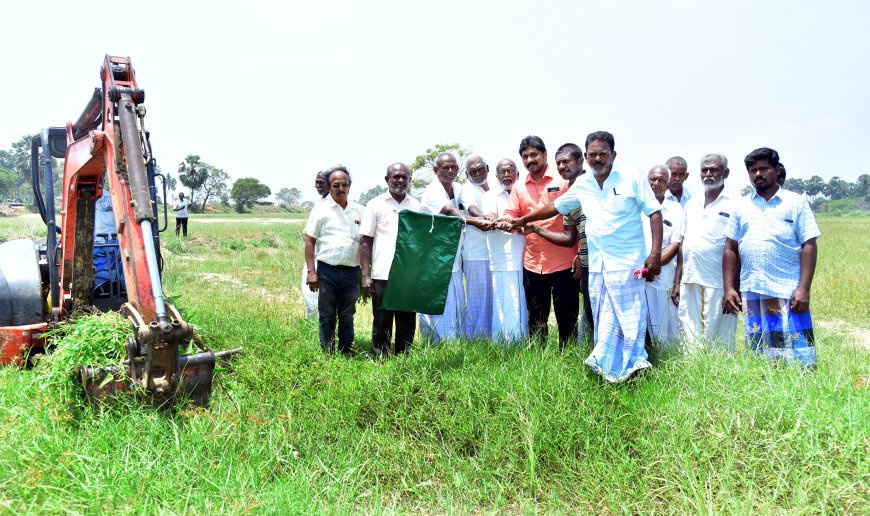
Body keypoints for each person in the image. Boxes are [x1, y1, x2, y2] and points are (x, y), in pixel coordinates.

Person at [511, 131, 663, 382]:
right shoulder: (582, 185)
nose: (598, 158)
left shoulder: (631, 177)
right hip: (597, 267)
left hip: (626, 264)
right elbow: (553, 207)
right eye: (592, 154)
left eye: (603, 154)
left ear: (613, 154)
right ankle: (607, 366)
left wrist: (655, 253)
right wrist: (525, 220)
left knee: (631, 319)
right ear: (586, 156)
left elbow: (654, 212)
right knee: (603, 320)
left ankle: (636, 368)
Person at [723, 148, 820, 367]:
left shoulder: (795, 203)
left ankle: (802, 388)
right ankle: (766, 386)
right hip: (752, 289)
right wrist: (729, 288)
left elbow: (809, 245)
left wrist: (803, 289)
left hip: (786, 288)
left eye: (763, 168)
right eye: (753, 170)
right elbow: (730, 247)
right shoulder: (741, 206)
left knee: (798, 351)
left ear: (776, 170)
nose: (758, 174)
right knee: (760, 349)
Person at [501, 136, 578, 349]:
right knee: (536, 316)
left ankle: (569, 356)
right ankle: (537, 356)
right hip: (533, 262)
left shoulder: (563, 181)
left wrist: (580, 254)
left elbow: (579, 220)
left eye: (534, 154)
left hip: (564, 260)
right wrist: (506, 221)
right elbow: (511, 213)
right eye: (525, 156)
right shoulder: (519, 187)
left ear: (545, 155)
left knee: (567, 316)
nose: (530, 160)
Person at [418, 152, 492, 343]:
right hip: (435, 256)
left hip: (454, 255)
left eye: (453, 167)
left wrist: (481, 216)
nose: (450, 170)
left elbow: (469, 204)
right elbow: (451, 212)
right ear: (436, 170)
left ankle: (456, 340)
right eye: (445, 167)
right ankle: (442, 343)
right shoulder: (432, 192)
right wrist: (477, 222)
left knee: (457, 301)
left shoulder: (458, 188)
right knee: (441, 302)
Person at [526, 143, 594, 343]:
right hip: (579, 261)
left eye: (567, 161)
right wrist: (535, 227)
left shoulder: (592, 184)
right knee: (590, 311)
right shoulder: (570, 191)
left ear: (581, 160)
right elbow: (569, 237)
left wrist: (579, 254)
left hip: (598, 260)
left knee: (586, 313)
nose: (562, 166)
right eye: (559, 163)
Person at [360, 163, 421, 359]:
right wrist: (366, 275)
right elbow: (366, 241)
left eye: (404, 177)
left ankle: (404, 356)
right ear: (387, 179)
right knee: (382, 320)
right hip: (382, 272)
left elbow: (419, 241)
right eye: (396, 177)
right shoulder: (375, 204)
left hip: (407, 274)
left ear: (409, 180)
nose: (400, 180)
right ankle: (381, 358)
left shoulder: (416, 205)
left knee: (407, 319)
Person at [677, 153, 738, 349]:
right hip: (690, 278)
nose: (708, 174)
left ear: (726, 173)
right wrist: (677, 281)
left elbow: (739, 246)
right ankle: (693, 371)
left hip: (717, 281)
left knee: (718, 333)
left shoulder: (735, 203)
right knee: (689, 330)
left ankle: (716, 373)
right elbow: (683, 243)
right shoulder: (692, 203)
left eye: (714, 169)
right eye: (705, 170)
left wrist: (733, 286)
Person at [304, 166, 364, 355]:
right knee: (327, 314)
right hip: (327, 271)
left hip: (351, 272)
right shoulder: (320, 210)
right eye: (335, 185)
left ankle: (346, 350)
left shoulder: (359, 210)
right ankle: (327, 351)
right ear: (329, 187)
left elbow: (365, 243)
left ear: (350, 186)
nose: (340, 188)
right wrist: (311, 272)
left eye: (344, 184)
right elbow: (309, 241)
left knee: (347, 314)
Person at [481, 159, 528, 343]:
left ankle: (521, 340)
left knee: (520, 300)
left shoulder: (524, 193)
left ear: (518, 173)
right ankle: (504, 342)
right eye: (502, 171)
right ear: (496, 176)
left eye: (510, 171)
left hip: (525, 256)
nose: (506, 175)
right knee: (503, 300)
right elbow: (490, 217)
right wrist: (498, 221)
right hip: (502, 258)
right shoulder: (490, 195)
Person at [643, 165, 685, 343]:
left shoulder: (676, 210)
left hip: (662, 275)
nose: (656, 183)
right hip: (637, 275)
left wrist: (653, 266)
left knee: (663, 324)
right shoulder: (637, 207)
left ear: (667, 184)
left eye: (661, 180)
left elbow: (676, 243)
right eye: (652, 179)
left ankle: (664, 359)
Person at [457, 155, 498, 339]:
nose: (477, 173)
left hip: (496, 252)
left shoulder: (496, 187)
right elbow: (471, 208)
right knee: (478, 300)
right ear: (467, 174)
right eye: (472, 171)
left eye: (480, 169)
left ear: (487, 168)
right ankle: (475, 338)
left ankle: (493, 335)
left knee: (493, 298)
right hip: (476, 254)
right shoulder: (467, 189)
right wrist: (483, 218)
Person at [301, 170, 331, 318]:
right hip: (314, 256)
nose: (318, 185)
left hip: (327, 258)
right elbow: (309, 238)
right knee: (310, 294)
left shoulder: (332, 204)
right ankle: (312, 327)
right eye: (316, 182)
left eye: (321, 182)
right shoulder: (319, 203)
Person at [93, 185, 125, 296]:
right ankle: (101, 288)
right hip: (93, 245)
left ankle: (125, 291)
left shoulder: (112, 197)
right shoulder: (77, 198)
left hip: (115, 242)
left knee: (124, 265)